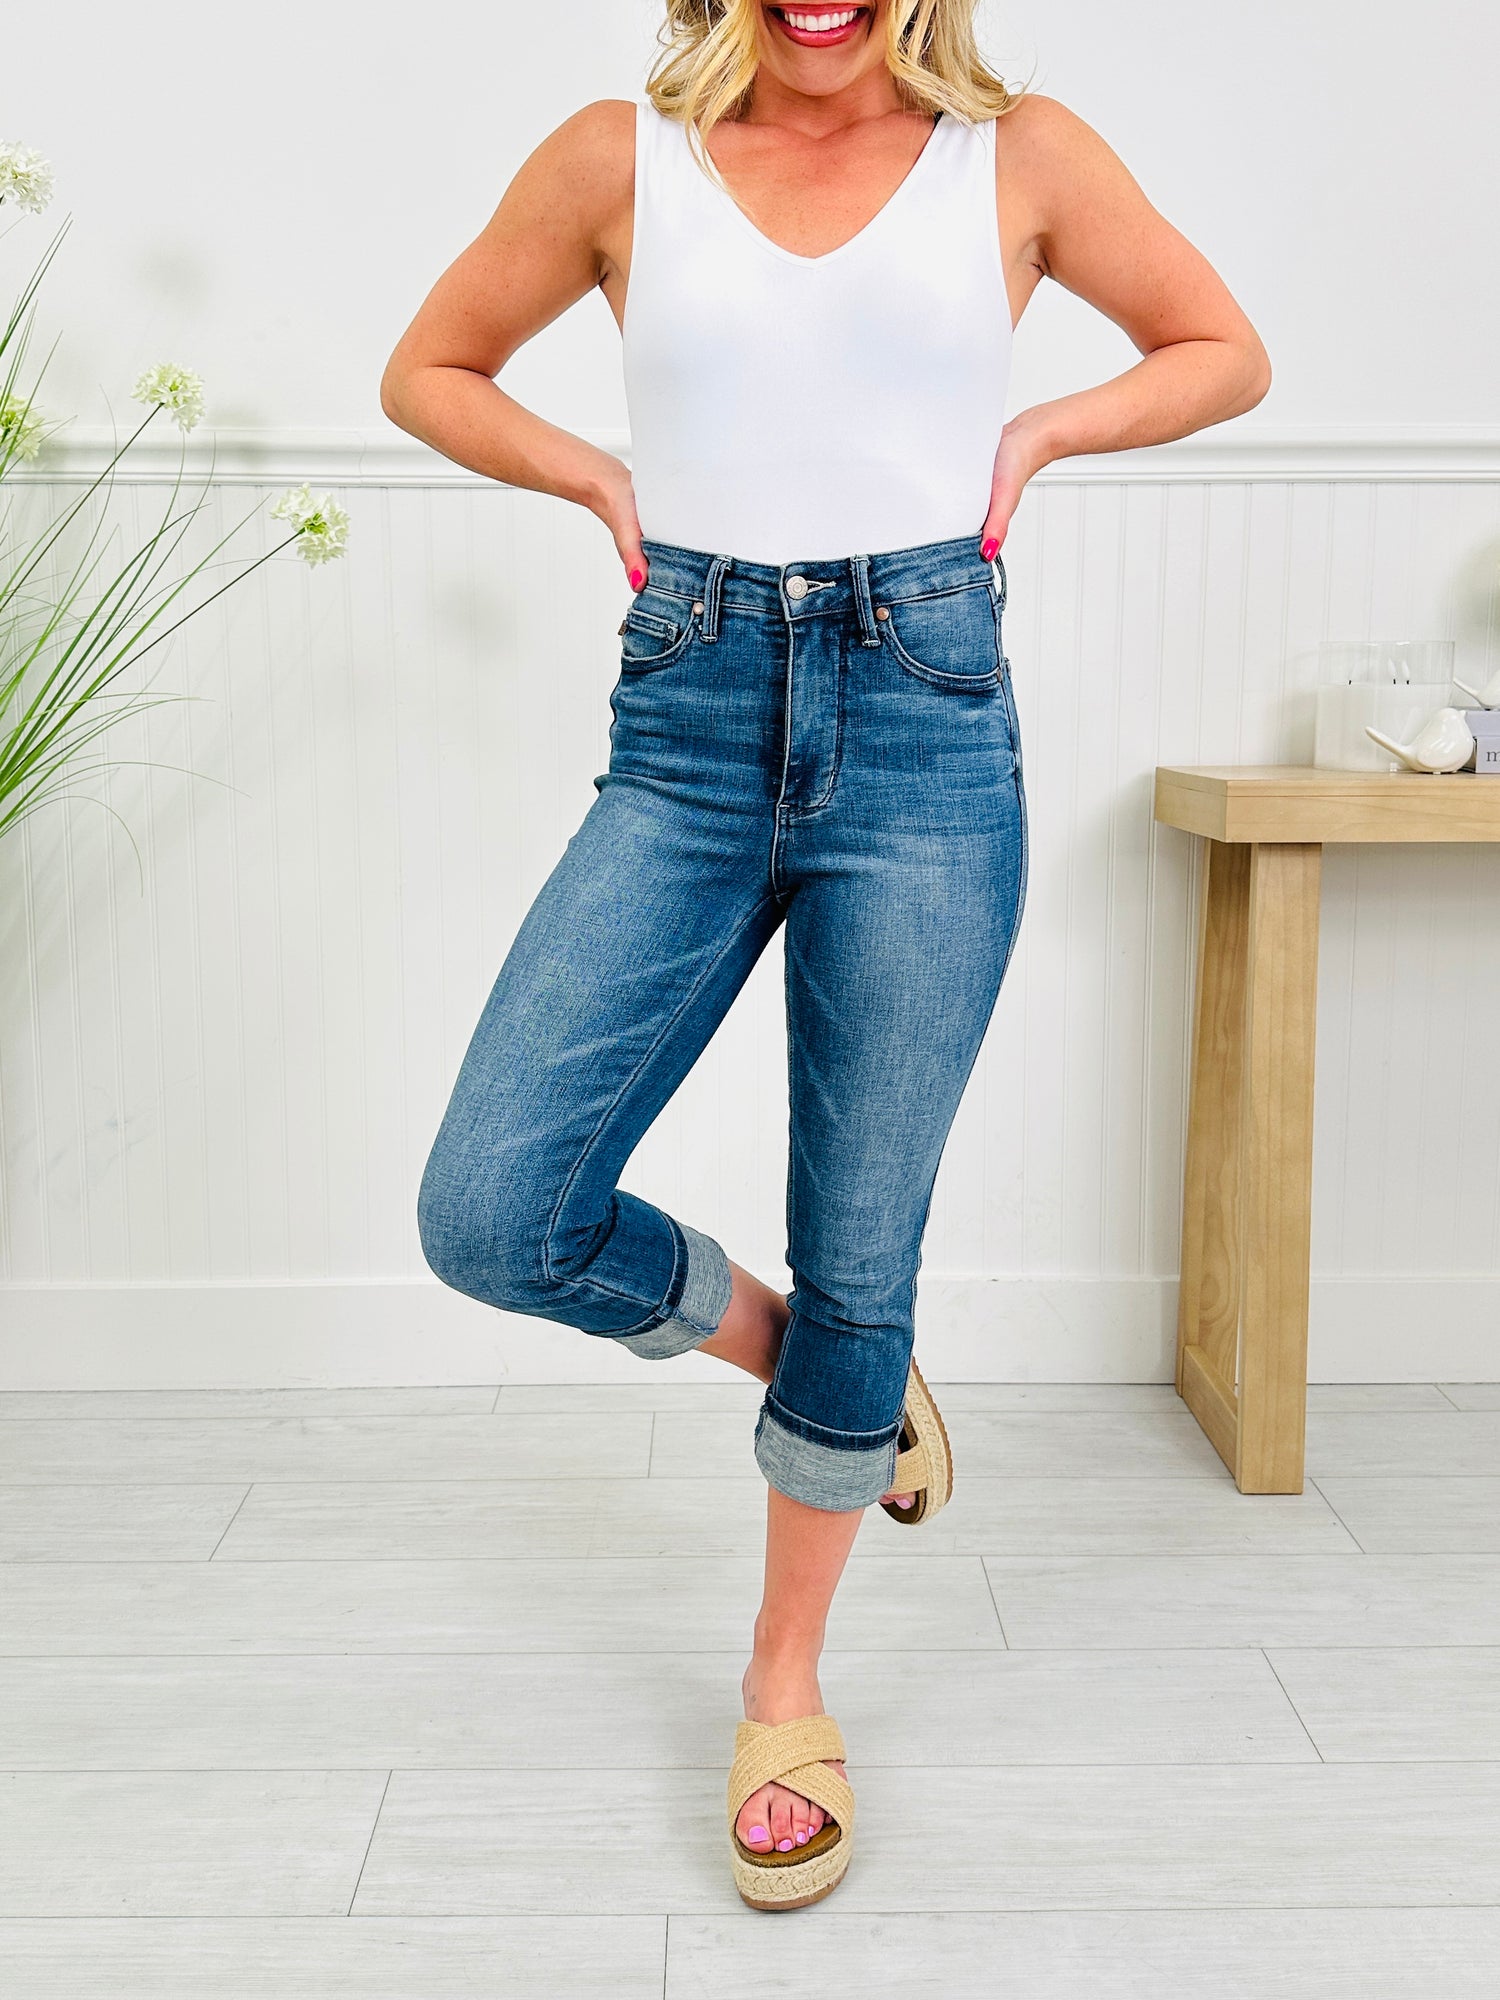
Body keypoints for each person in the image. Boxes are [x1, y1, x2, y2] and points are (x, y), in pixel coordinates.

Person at [380, 0, 1269, 1911]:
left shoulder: (1021, 156)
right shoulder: (613, 156)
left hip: (928, 728)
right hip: (689, 722)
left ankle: (783, 1682)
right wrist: (597, 479)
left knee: (870, 1242)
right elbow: (427, 370)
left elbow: (1224, 348)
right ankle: (827, 1373)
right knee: (492, 1210)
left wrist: (1043, 429)